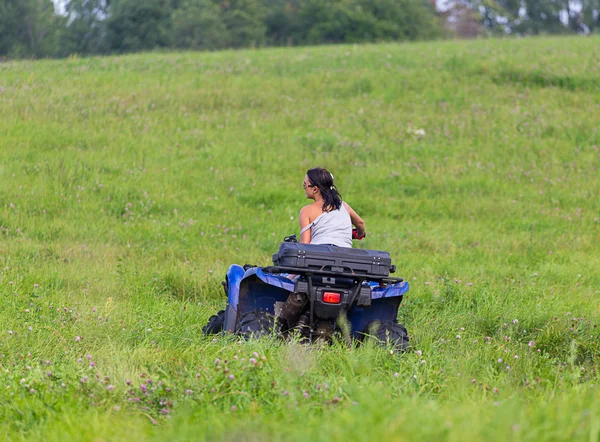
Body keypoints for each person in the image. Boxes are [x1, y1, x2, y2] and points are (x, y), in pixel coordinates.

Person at [299, 168, 365, 248]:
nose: (304, 188)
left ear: (315, 189)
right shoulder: (344, 206)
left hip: (319, 255)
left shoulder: (306, 211)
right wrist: (359, 234)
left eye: (305, 185)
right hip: (345, 254)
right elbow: (360, 223)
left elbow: (305, 245)